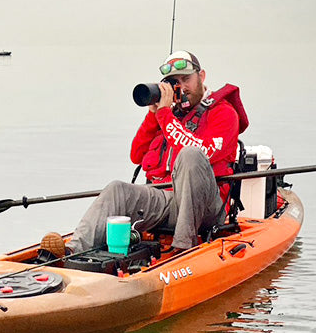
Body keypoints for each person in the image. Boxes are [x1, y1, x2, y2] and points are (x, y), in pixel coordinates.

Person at [39, 50, 249, 260]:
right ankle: (71, 251)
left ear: (201, 76)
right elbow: (136, 154)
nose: (182, 87)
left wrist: (165, 116)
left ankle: (184, 249)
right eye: (175, 82)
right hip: (165, 200)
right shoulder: (169, 114)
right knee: (116, 189)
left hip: (206, 206)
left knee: (190, 155)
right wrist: (154, 113)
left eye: (187, 79)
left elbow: (203, 153)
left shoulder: (224, 113)